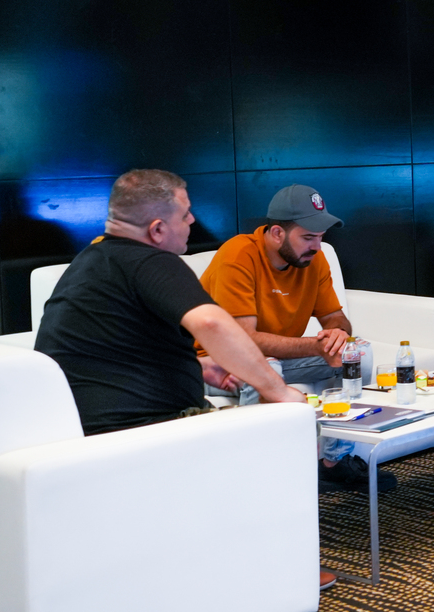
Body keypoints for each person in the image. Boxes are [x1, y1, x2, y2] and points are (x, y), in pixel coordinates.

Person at [33, 170, 339, 590]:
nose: (193, 221)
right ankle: (283, 567)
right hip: (147, 430)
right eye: (186, 214)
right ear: (158, 229)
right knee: (277, 437)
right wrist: (278, 391)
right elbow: (213, 323)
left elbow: (113, 353)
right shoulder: (152, 261)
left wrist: (199, 369)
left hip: (86, 431)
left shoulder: (92, 261)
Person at [199, 184, 386, 494]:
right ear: (277, 234)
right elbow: (244, 342)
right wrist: (316, 346)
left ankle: (334, 462)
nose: (317, 246)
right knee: (266, 367)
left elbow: (336, 318)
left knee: (357, 353)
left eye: (321, 237)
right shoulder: (238, 255)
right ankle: (257, 478)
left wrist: (338, 335)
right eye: (308, 237)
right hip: (216, 362)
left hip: (277, 357)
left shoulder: (313, 260)